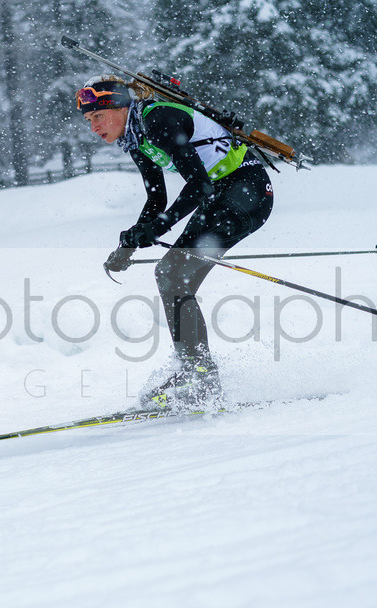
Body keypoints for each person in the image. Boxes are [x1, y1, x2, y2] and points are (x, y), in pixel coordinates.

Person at [76, 75, 274, 410]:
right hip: (224, 195)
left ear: (121, 106)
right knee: (172, 276)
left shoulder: (157, 120)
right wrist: (129, 243)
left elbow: (198, 186)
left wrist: (157, 229)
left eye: (97, 116)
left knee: (172, 273)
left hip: (245, 190)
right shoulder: (136, 138)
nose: (93, 127)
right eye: (87, 120)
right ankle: (197, 372)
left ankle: (198, 374)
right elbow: (156, 199)